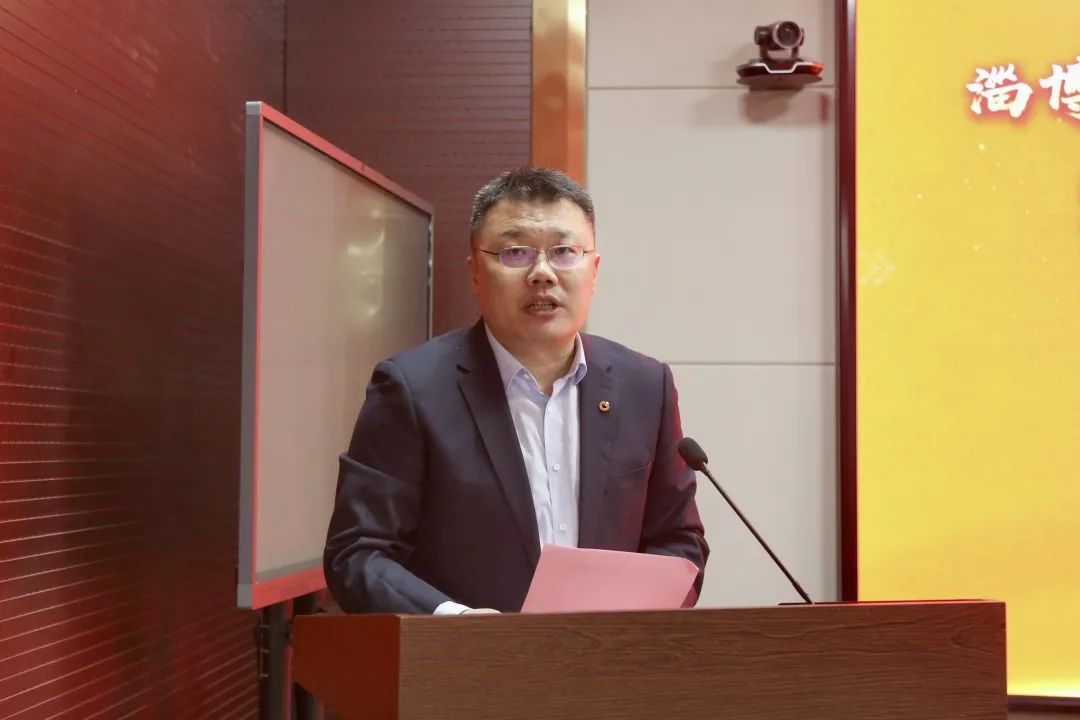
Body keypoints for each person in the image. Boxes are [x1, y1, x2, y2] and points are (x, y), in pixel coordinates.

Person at [324, 167, 708, 614]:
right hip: (464, 655)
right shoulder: (412, 389)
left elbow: (678, 540)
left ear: (594, 271)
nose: (542, 273)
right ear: (475, 272)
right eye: (515, 252)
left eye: (564, 252)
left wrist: (630, 623)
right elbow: (359, 553)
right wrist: (456, 623)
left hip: (607, 655)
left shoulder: (644, 387)